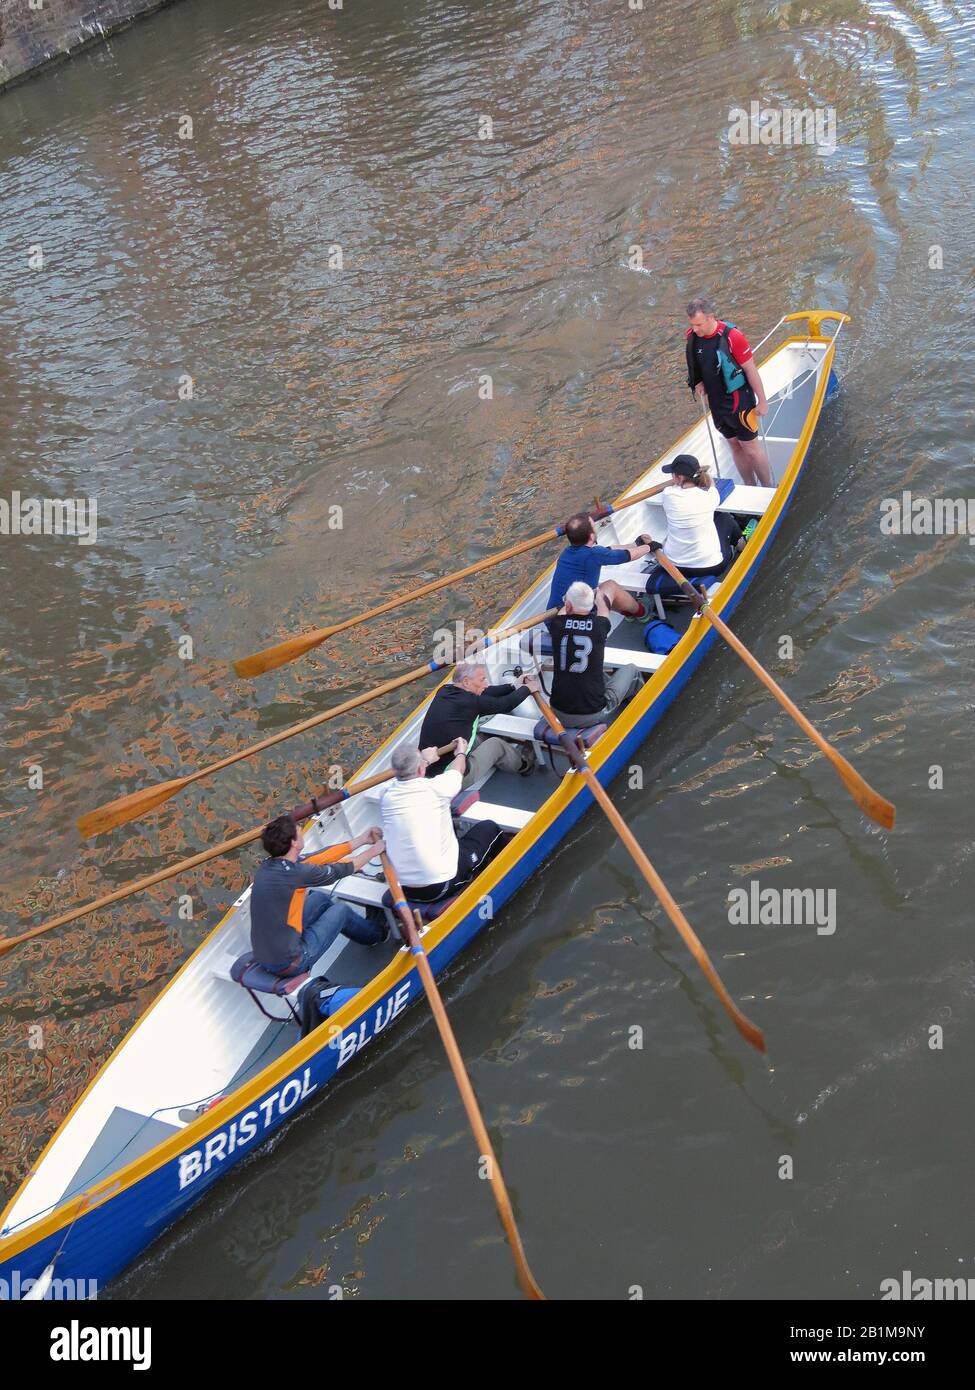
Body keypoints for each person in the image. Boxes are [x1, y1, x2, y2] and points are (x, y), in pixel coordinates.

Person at [250, 814, 388, 978]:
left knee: (319, 899)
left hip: (266, 953)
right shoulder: (297, 874)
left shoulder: (269, 865)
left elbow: (318, 857)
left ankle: (363, 929)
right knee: (341, 911)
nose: (302, 832)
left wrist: (363, 839)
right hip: (291, 961)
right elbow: (342, 870)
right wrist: (375, 851)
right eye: (299, 832)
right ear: (294, 842)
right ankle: (377, 935)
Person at [378, 739, 504, 903]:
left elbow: (408, 774)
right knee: (490, 829)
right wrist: (460, 752)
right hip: (441, 885)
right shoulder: (436, 788)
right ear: (421, 770)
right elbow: (458, 769)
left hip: (402, 889)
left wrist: (424, 761)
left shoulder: (386, 795)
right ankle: (498, 875)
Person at [685, 296, 771, 487]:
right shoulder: (693, 336)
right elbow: (700, 365)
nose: (695, 329)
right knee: (734, 445)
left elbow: (750, 369)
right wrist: (699, 382)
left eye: (699, 324)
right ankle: (750, 485)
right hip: (716, 404)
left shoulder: (733, 337)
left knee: (750, 448)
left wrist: (762, 400)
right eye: (692, 324)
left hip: (739, 402)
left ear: (710, 317)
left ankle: (768, 487)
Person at [419, 661, 540, 785]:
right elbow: (504, 705)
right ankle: (525, 766)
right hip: (452, 777)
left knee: (476, 736)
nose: (486, 684)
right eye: (482, 680)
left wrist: (513, 686)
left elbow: (485, 692)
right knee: (496, 744)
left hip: (426, 769)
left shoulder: (444, 690)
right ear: (466, 682)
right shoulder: (471, 703)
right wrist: (527, 689)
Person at [644, 455, 743, 596]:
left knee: (708, 518)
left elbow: (675, 487)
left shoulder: (668, 495)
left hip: (676, 566)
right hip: (710, 567)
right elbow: (711, 486)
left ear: (678, 478)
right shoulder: (709, 495)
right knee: (724, 517)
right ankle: (740, 545)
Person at [548, 581, 640, 730]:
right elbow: (604, 608)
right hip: (591, 714)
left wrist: (570, 600)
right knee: (632, 670)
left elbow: (563, 612)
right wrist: (597, 595)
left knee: (594, 673)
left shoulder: (557, 625)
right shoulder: (600, 626)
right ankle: (638, 707)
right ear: (591, 605)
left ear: (568, 605)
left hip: (557, 711)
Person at [546, 512, 656, 622]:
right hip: (576, 619)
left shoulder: (566, 553)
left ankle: (628, 614)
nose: (596, 527)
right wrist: (650, 547)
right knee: (611, 586)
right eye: (594, 526)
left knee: (598, 592)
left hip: (553, 619)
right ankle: (643, 613)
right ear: (592, 536)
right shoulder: (594, 554)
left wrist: (635, 545)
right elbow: (629, 556)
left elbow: (608, 550)